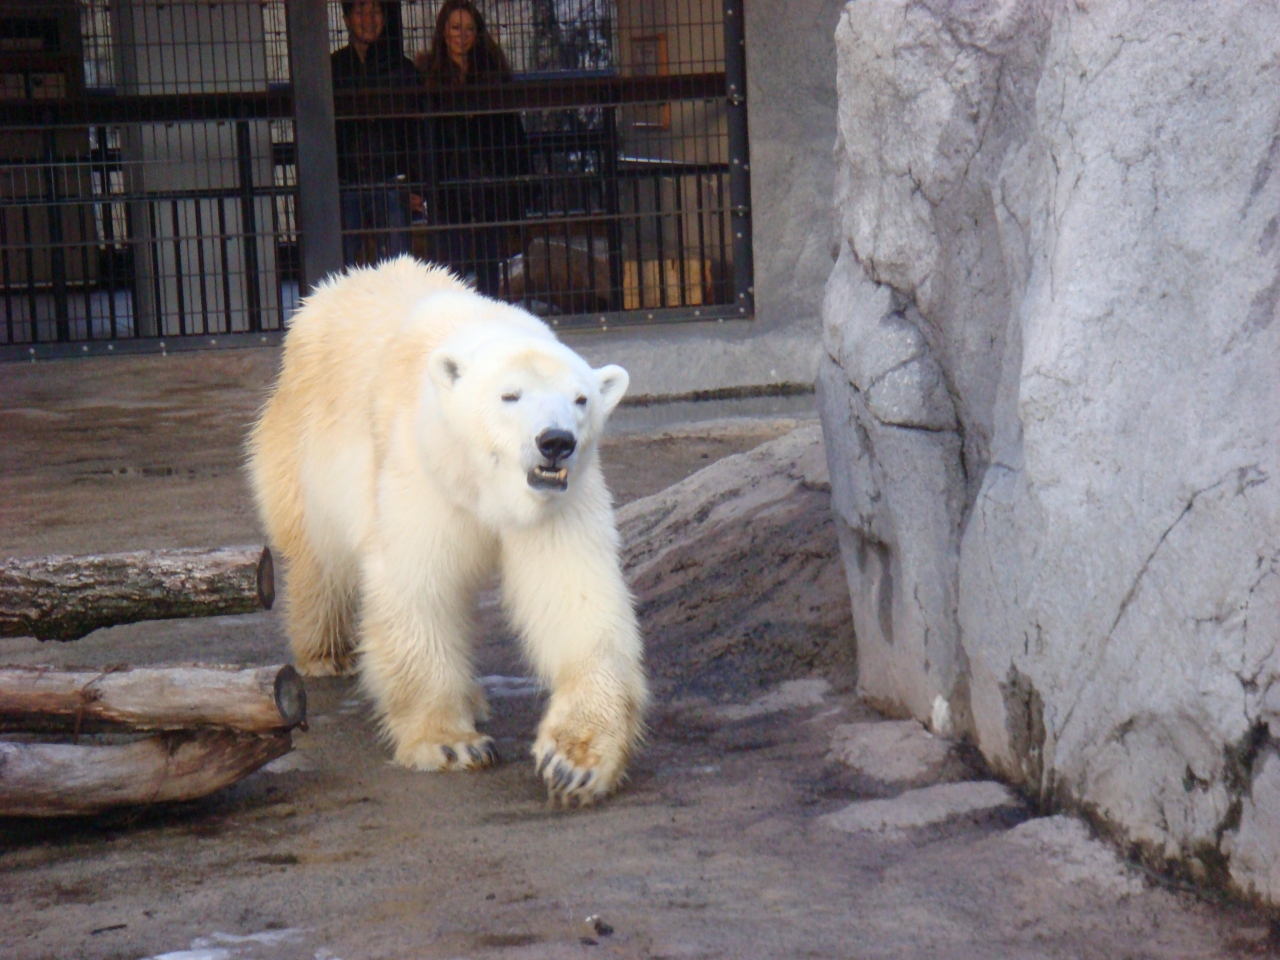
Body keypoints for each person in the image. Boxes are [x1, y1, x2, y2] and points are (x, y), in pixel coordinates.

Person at [420, 0, 531, 296]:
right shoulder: (428, 77)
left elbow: (510, 133)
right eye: (456, 28)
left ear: (477, 33)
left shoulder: (492, 73)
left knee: (488, 269)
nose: (462, 35)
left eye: (469, 29)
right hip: (448, 189)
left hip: (488, 189)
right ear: (444, 31)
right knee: (451, 270)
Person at [331, 0, 429, 267]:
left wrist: (418, 185)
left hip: (391, 181)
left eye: (375, 11)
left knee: (396, 266)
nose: (368, 19)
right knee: (339, 266)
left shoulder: (403, 70)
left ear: (384, 18)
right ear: (346, 19)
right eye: (360, 12)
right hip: (345, 183)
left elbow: (418, 131)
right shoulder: (332, 69)